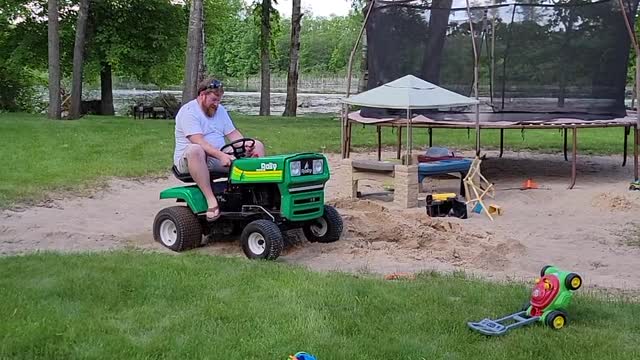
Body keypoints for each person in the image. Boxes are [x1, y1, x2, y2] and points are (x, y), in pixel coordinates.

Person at [173, 77, 266, 221]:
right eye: (214, 100)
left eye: (219, 100)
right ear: (202, 95)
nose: (217, 104)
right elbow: (198, 141)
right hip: (191, 159)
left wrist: (246, 145)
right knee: (195, 149)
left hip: (219, 154)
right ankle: (211, 200)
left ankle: (259, 195)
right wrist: (221, 156)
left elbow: (233, 134)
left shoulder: (220, 110)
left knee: (257, 145)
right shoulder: (189, 112)